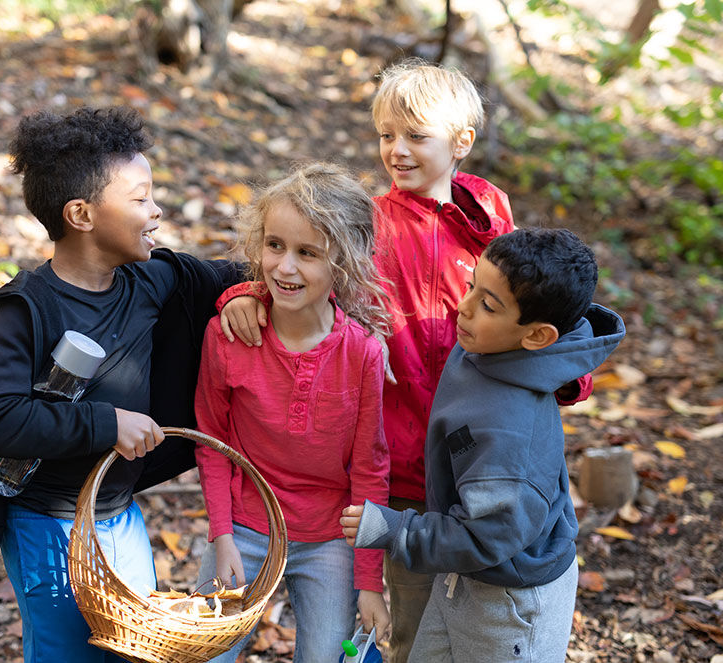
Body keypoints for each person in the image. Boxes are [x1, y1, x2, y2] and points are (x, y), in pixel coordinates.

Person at [217, 58, 594, 661]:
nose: (397, 150)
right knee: (412, 616)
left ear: (461, 141)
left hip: (482, 451)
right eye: (386, 134)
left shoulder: (489, 214)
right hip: (402, 463)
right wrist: (245, 293)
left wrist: (563, 371)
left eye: (416, 136)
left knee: (475, 596)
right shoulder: (371, 220)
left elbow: (536, 296)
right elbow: (304, 270)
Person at [0, 106, 244, 663]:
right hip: (46, 525)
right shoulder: (29, 308)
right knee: (70, 653)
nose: (156, 211)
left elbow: (231, 277)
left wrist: (242, 299)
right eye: (140, 199)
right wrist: (106, 423)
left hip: (119, 516)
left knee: (134, 650)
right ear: (82, 214)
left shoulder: (148, 280)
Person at [340, 227, 626, 663]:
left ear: (537, 336)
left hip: (509, 602)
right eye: (471, 285)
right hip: (462, 573)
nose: (464, 305)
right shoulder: (491, 344)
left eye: (488, 304)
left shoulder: (510, 436)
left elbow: (486, 535)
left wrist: (395, 530)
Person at [193, 163, 393, 663]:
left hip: (328, 537)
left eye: (307, 253)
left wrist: (369, 582)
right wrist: (221, 537)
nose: (284, 267)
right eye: (275, 245)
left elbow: (369, 470)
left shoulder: (363, 354)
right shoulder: (229, 336)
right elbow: (213, 441)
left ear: (343, 263)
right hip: (244, 524)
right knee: (204, 653)